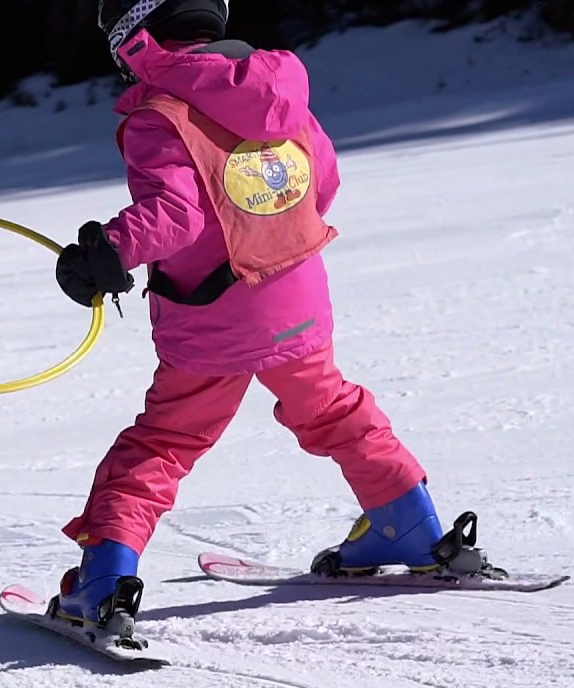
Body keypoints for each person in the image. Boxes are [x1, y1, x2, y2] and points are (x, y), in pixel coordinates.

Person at [48, 0, 495, 639]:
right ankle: (411, 527)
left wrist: (109, 252)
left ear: (129, 36)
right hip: (296, 298)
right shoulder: (275, 89)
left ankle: (102, 583)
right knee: (335, 409)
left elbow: (176, 215)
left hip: (213, 317)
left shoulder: (161, 112)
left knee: (164, 442)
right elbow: (322, 180)